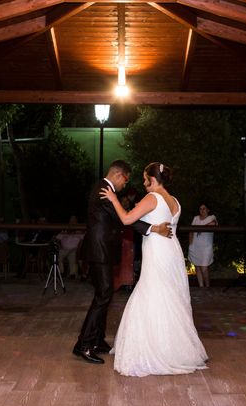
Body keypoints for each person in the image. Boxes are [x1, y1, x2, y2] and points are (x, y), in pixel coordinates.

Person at [100, 162, 208, 377]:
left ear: (153, 179)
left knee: (153, 294)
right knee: (171, 297)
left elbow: (127, 219)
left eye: (145, 178)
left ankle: (155, 351)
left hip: (158, 251)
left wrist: (114, 200)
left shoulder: (152, 198)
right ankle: (176, 350)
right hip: (173, 251)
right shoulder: (174, 201)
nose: (143, 182)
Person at [72, 159, 172, 365]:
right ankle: (84, 345)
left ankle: (97, 340)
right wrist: (153, 229)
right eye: (125, 181)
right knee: (103, 295)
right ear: (118, 175)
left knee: (105, 295)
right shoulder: (103, 190)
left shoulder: (105, 190)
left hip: (103, 251)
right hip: (100, 251)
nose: (124, 185)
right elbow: (124, 219)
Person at [188, 203, 218, 288]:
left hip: (206, 247)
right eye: (200, 208)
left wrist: (201, 228)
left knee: (204, 268)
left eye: (204, 208)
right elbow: (191, 231)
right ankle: (201, 287)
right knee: (197, 266)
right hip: (195, 246)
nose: (202, 210)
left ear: (208, 210)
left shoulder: (211, 217)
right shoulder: (196, 218)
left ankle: (207, 286)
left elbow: (213, 224)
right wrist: (190, 244)